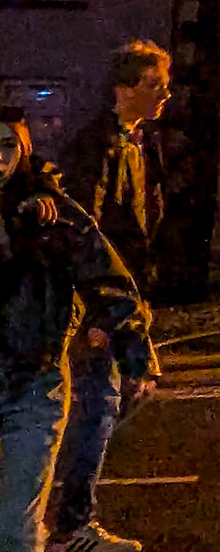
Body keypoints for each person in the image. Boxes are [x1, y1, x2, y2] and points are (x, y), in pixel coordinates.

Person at [0, 107, 156, 552]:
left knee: (15, 532)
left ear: (25, 149)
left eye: (8, 145)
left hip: (34, 382)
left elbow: (106, 273)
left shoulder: (53, 212)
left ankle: (69, 529)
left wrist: (135, 352)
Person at [47, 43, 168, 552]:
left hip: (125, 297)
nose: (164, 93)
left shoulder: (140, 143)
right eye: (153, 84)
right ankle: (70, 526)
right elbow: (85, 231)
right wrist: (97, 313)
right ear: (124, 89)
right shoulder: (97, 146)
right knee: (100, 403)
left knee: (131, 390)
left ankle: (58, 509)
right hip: (104, 300)